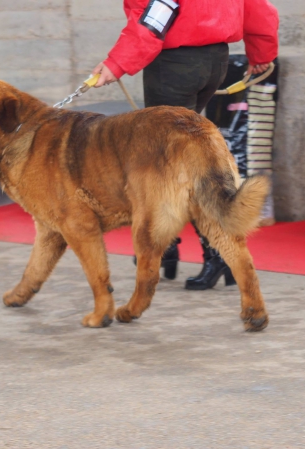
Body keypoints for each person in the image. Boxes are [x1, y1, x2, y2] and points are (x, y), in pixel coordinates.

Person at [91, 0, 279, 290]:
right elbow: (258, 8)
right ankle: (173, 248)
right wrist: (262, 52)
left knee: (168, 166)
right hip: (215, 60)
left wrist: (116, 64)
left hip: (175, 65)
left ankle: (211, 250)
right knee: (176, 160)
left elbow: (154, 18)